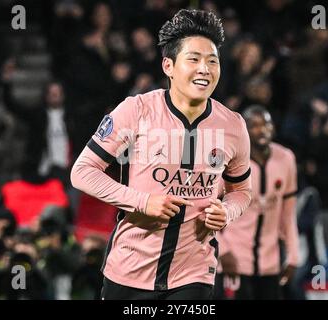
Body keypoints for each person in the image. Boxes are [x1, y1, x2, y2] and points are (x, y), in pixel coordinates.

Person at [71, 9, 252, 300]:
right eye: (194, 59)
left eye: (212, 61)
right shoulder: (136, 110)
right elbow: (82, 172)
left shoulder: (233, 125)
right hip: (129, 270)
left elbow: (241, 191)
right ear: (168, 66)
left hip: (194, 275)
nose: (205, 69)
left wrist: (226, 211)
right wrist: (143, 202)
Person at [216, 105, 299, 300]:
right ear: (243, 130)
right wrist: (223, 251)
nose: (262, 130)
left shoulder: (286, 159)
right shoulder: (227, 161)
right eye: (254, 125)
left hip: (270, 263)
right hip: (234, 260)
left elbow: (288, 214)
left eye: (266, 124)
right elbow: (207, 209)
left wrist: (293, 256)